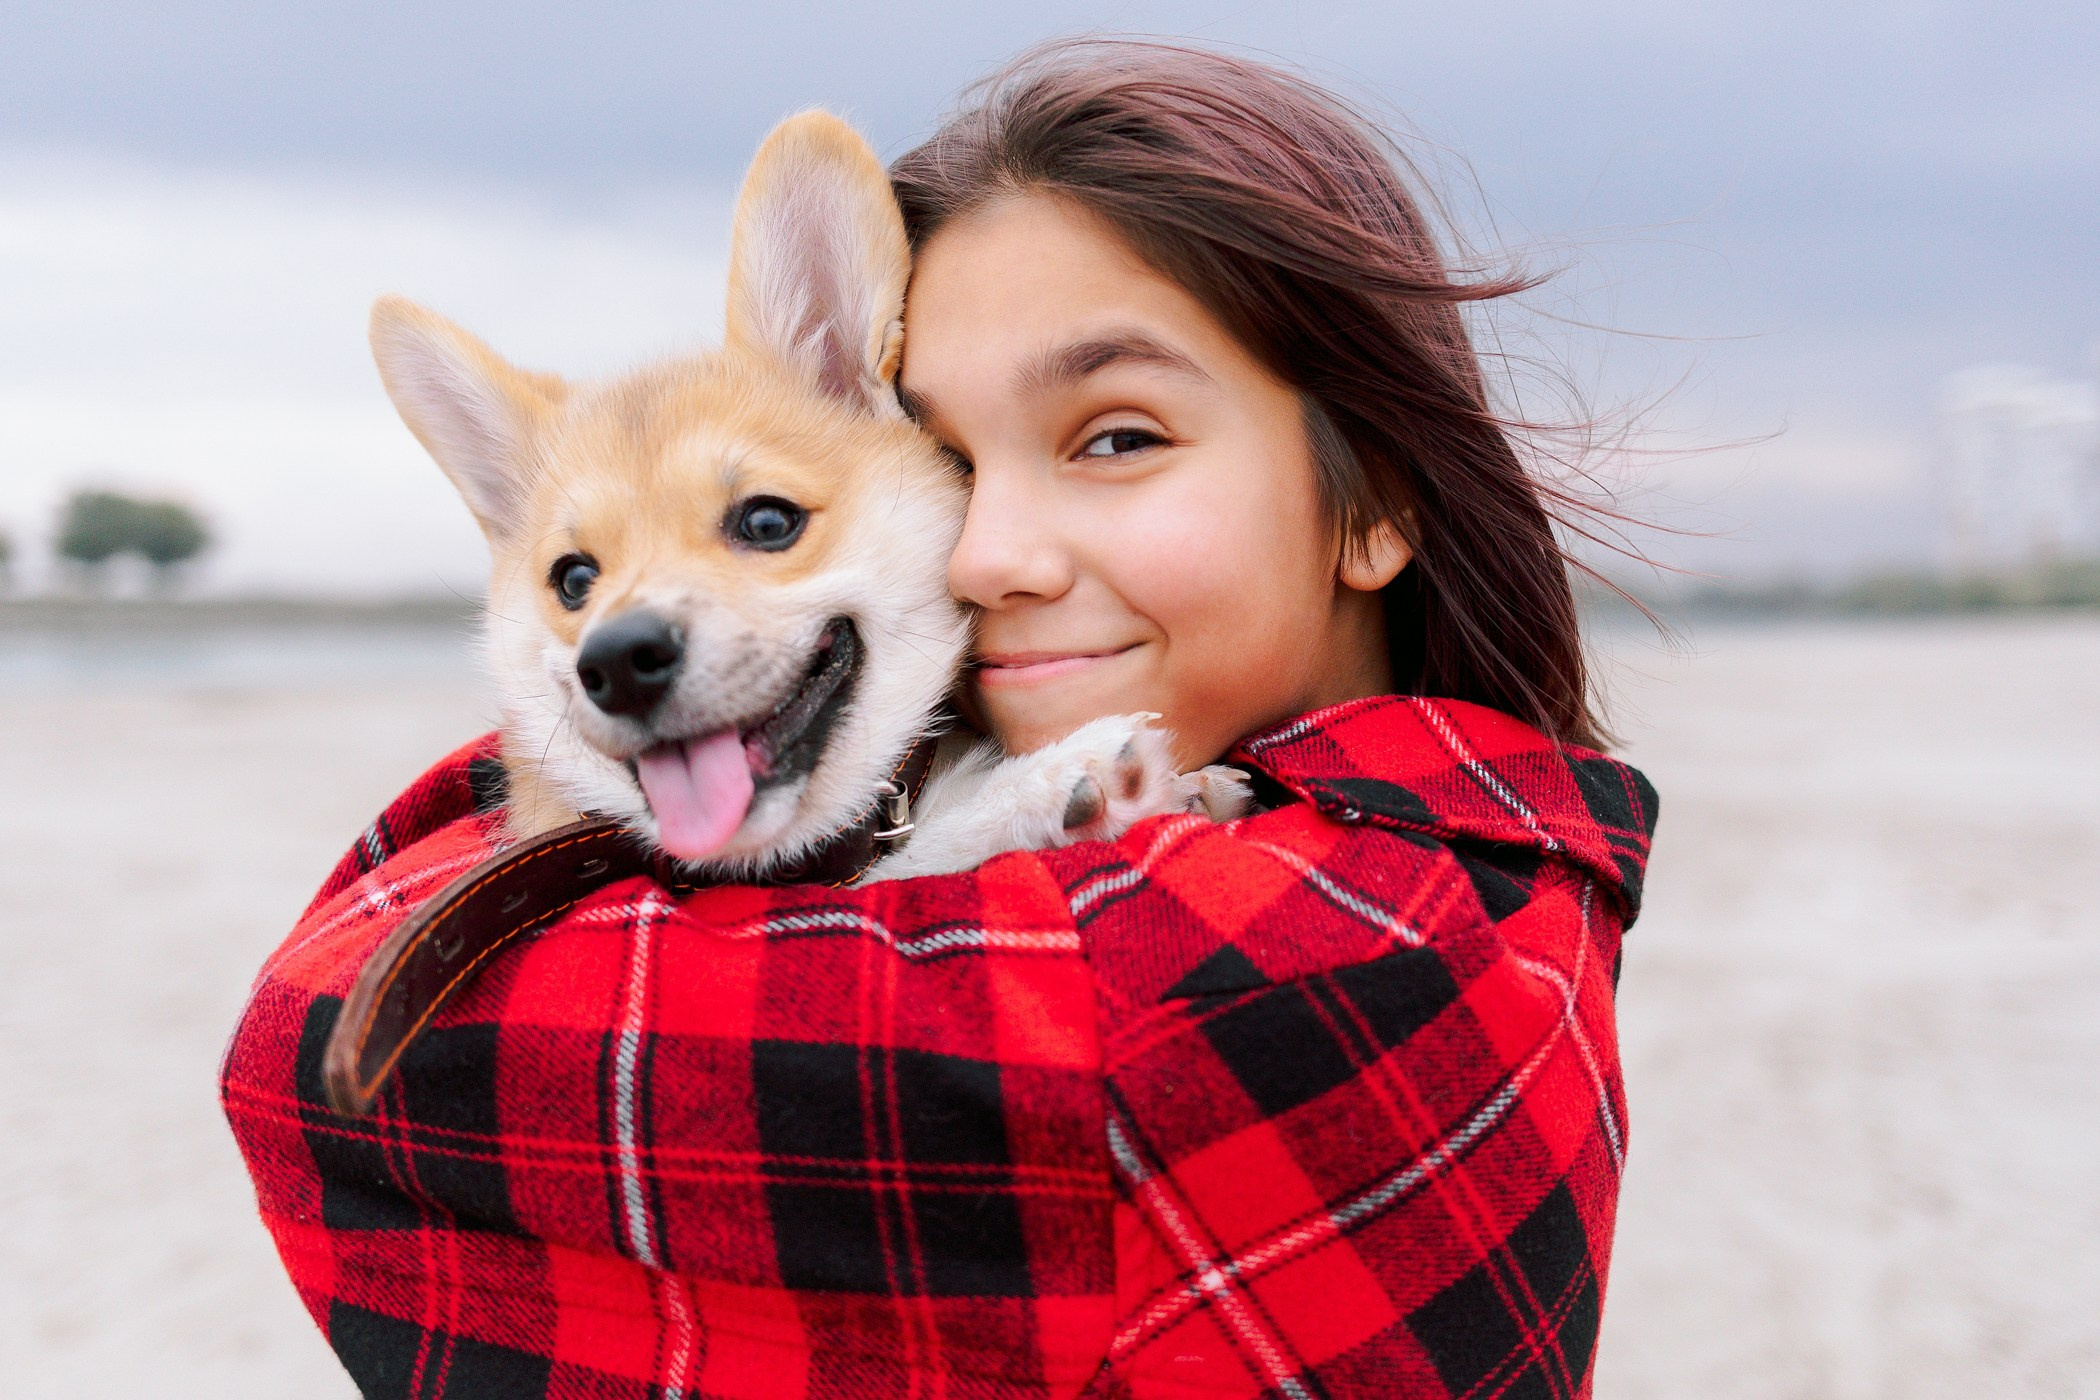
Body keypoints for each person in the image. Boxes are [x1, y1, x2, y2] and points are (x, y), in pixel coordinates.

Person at [223, 38, 1657, 1400]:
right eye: (952, 458)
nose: (984, 554)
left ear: (1381, 492)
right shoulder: (1494, 829)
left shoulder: (1317, 968)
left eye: (1116, 437)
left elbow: (319, 1052)